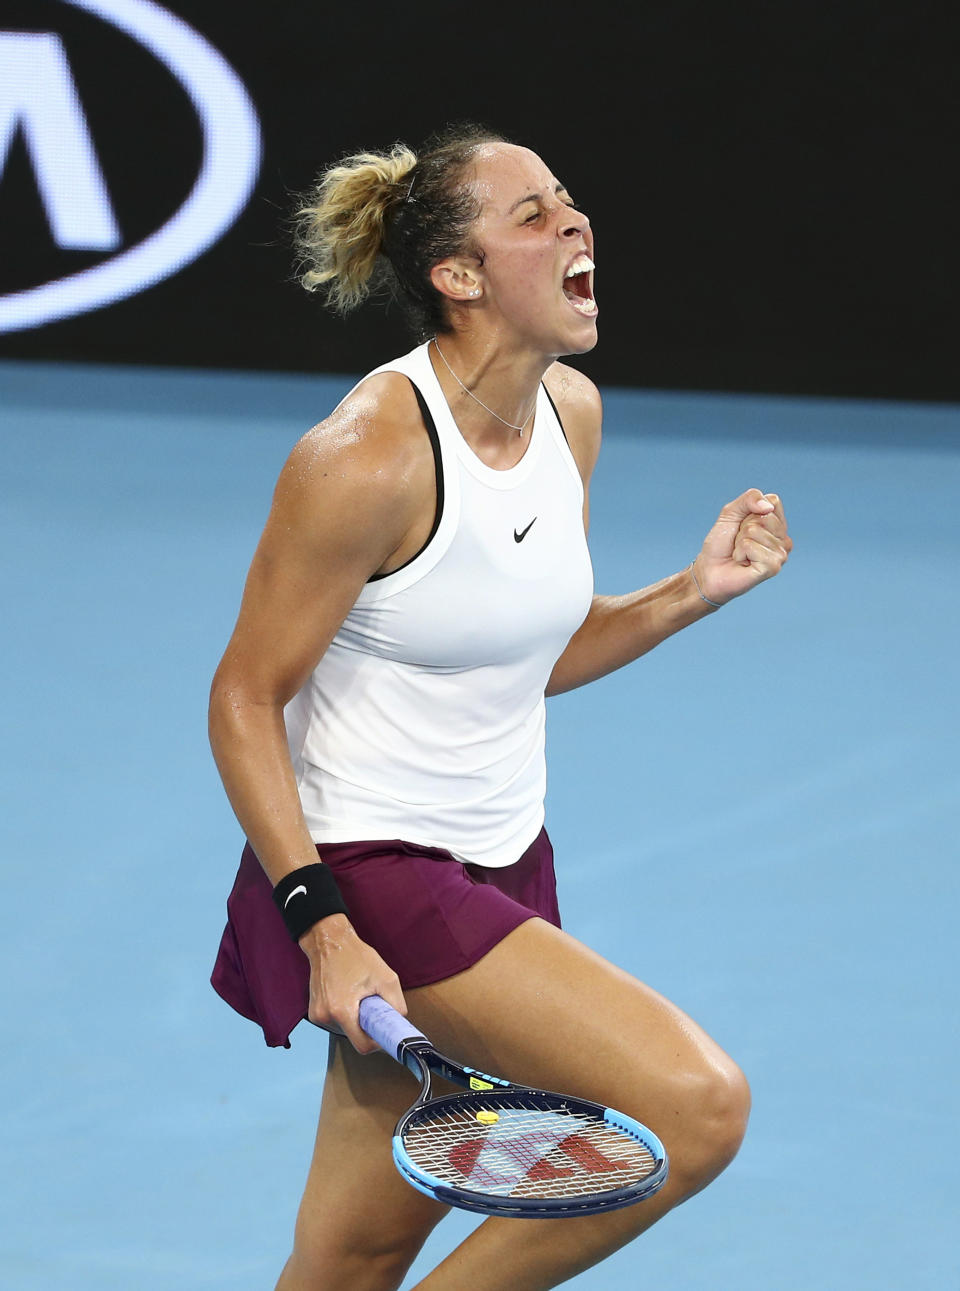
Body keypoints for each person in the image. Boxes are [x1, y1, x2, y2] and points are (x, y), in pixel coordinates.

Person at [209, 123, 792, 1291]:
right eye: (532, 214)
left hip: (504, 860)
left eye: (569, 202)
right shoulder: (367, 457)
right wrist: (324, 925)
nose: (575, 223)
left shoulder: (568, 415)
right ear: (457, 278)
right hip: (373, 876)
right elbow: (244, 696)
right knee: (698, 1107)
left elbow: (523, 653)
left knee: (349, 1258)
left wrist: (690, 593)